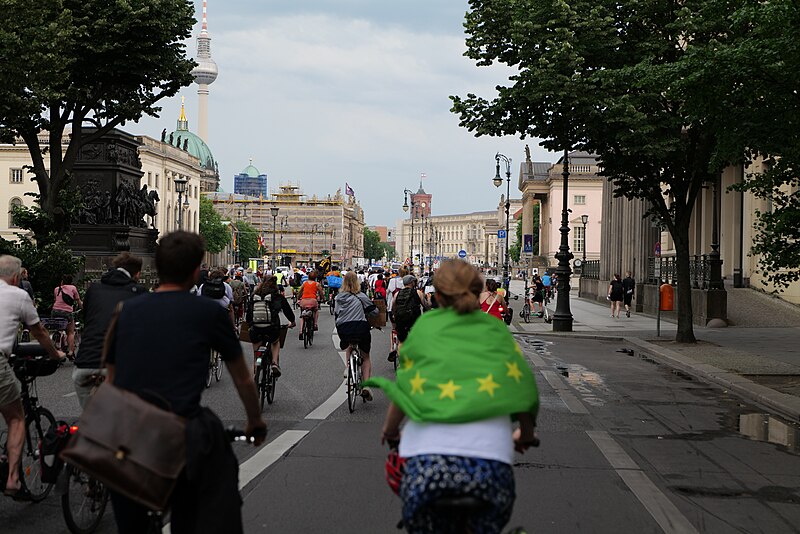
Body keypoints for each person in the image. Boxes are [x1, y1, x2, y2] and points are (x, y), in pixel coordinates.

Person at [104, 231, 266, 534]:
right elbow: (243, 378)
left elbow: (111, 378)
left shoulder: (125, 311)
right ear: (196, 271)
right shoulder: (207, 312)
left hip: (130, 438)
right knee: (214, 501)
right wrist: (255, 421)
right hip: (182, 432)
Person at [365, 259, 539, 534]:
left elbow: (408, 387)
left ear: (437, 294)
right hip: (490, 469)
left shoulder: (425, 327)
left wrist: (390, 431)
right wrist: (526, 434)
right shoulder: (494, 329)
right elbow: (523, 388)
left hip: (426, 468)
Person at [0, 255, 64, 500]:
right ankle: (13, 479)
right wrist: (55, 354)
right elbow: (40, 332)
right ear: (17, 277)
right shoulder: (18, 295)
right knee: (16, 418)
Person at [73, 252, 147, 409]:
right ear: (137, 273)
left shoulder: (93, 290)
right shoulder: (139, 293)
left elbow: (88, 320)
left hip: (85, 364)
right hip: (119, 368)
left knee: (91, 421)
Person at [335, 272, 378, 401]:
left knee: (349, 344)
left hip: (343, 328)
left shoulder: (338, 298)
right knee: (365, 356)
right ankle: (366, 386)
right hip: (360, 327)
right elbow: (374, 311)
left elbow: (337, 313)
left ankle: (348, 368)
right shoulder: (361, 296)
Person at [246, 276, 295, 378]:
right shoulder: (277, 297)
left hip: (256, 328)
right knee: (276, 342)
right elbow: (287, 311)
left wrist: (250, 324)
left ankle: (256, 366)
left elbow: (249, 314)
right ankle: (274, 363)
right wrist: (292, 321)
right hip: (271, 328)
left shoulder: (254, 296)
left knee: (256, 348)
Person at [390, 275, 426, 359]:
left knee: (401, 340)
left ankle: (401, 360)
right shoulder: (418, 293)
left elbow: (393, 307)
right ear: (412, 282)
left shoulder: (397, 294)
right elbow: (425, 305)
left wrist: (395, 316)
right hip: (414, 319)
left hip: (401, 319)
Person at [52, 274, 83, 358]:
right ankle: (70, 351)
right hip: (67, 312)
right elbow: (78, 301)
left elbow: (56, 300)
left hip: (55, 311)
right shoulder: (73, 288)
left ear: (62, 281)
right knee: (70, 332)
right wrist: (82, 308)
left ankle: (58, 339)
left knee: (59, 327)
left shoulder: (56, 289)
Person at [298, 270, 323, 338]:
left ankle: (301, 331)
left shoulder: (304, 283)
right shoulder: (317, 284)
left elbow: (300, 292)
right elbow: (321, 293)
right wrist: (323, 299)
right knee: (316, 310)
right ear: (315, 277)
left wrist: (298, 298)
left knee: (302, 315)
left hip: (304, 301)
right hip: (313, 301)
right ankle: (315, 324)